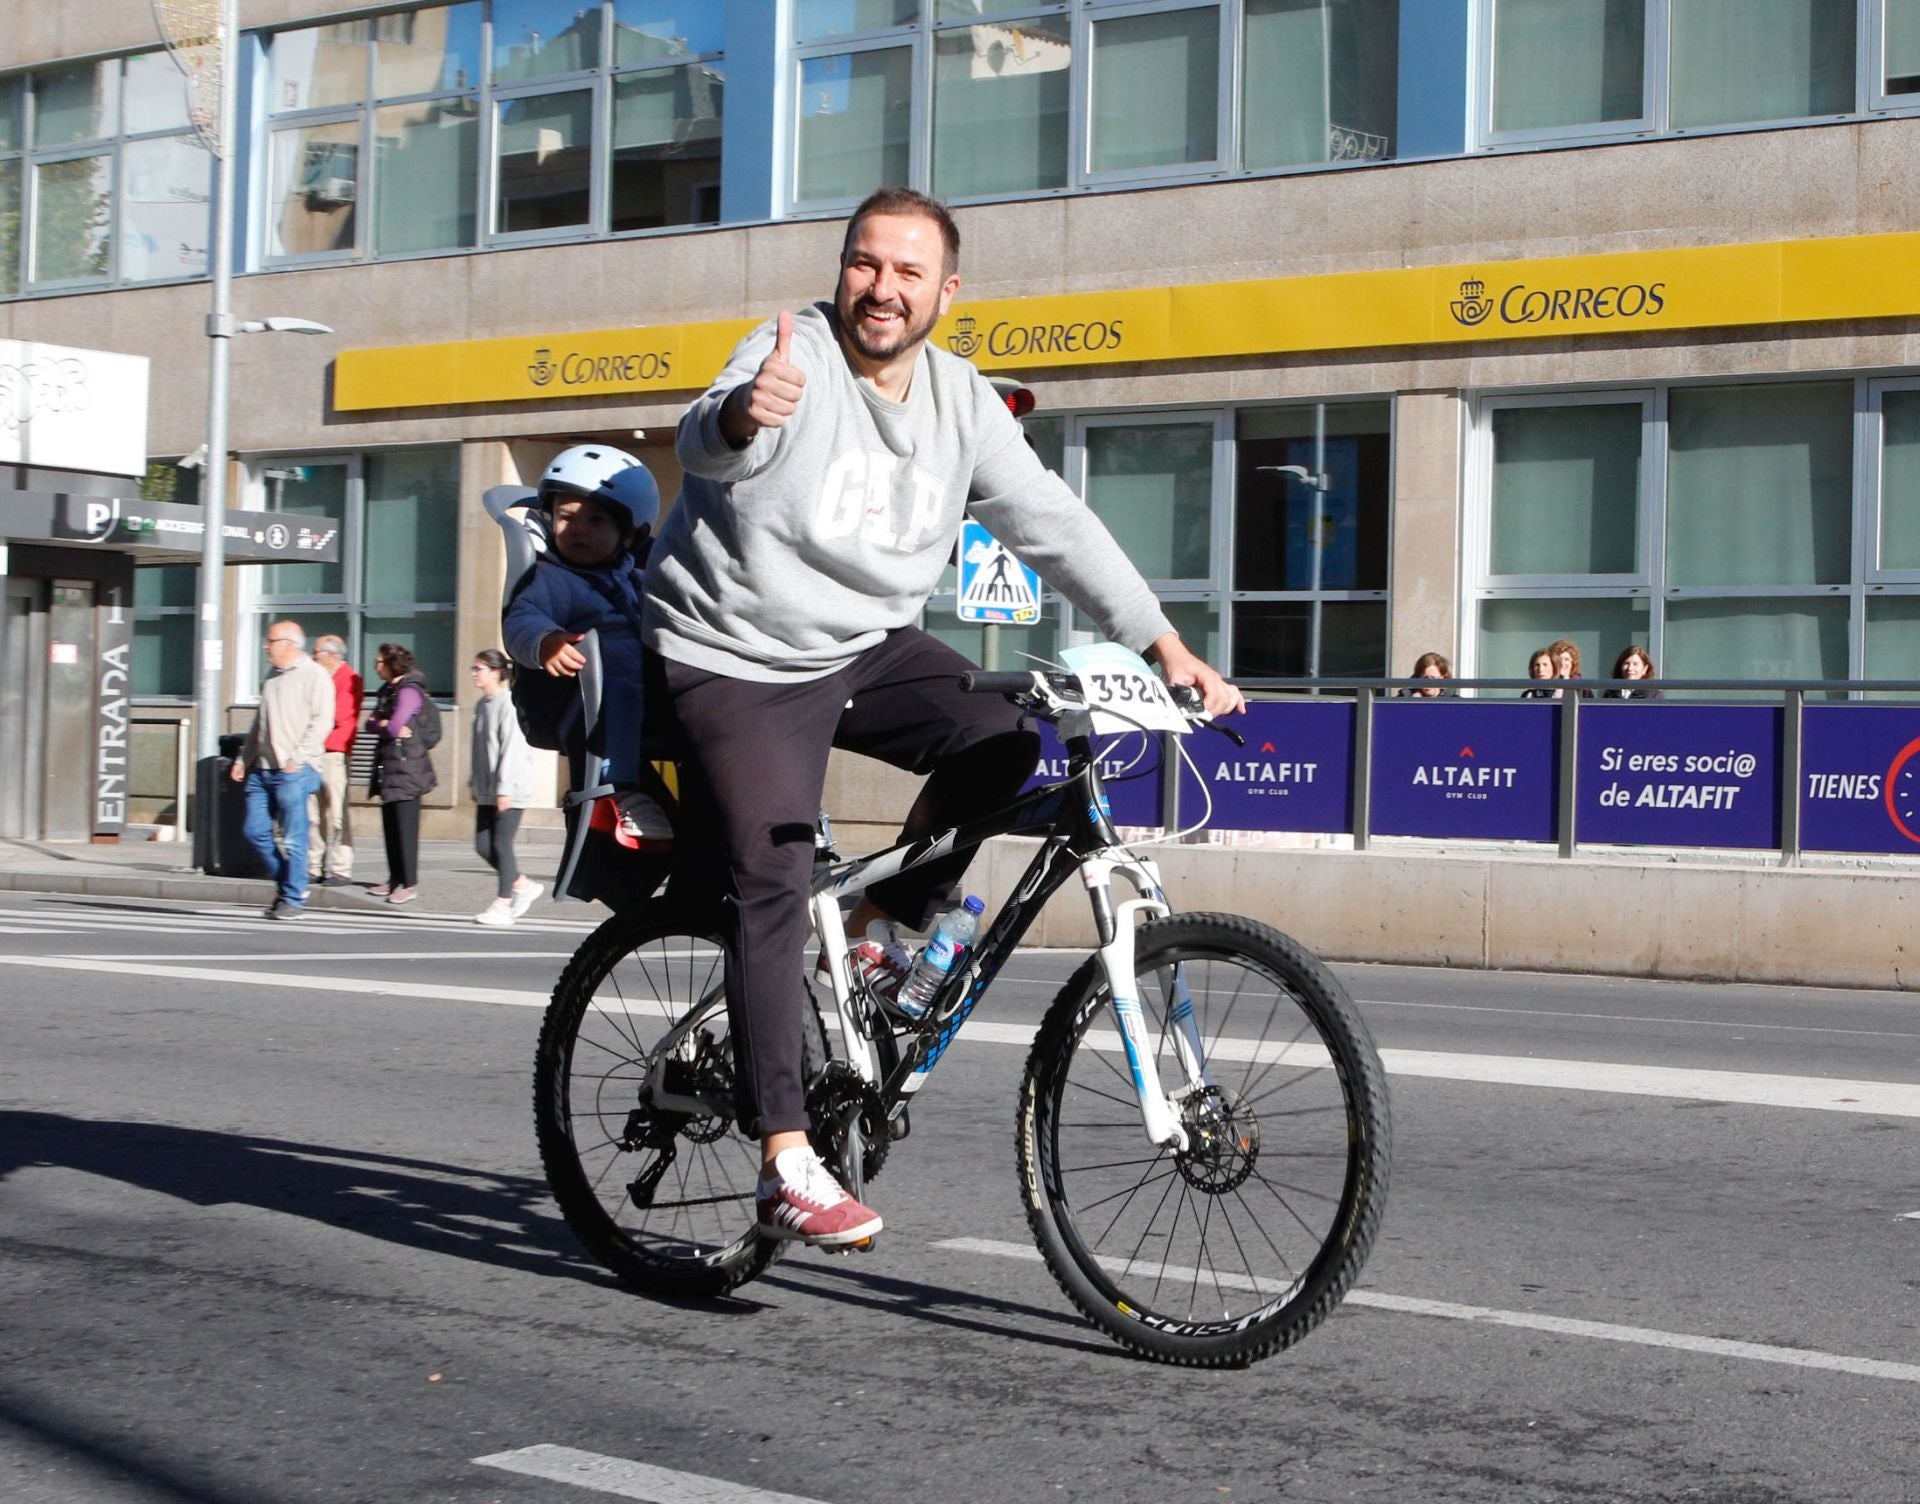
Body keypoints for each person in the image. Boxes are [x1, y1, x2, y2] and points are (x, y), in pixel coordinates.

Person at [644, 184, 1243, 1249]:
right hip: (734, 651)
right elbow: (709, 439)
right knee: (774, 876)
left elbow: (1054, 524)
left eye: (907, 272)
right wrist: (743, 412)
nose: (882, 288)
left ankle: (873, 929)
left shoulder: (962, 402)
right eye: (865, 264)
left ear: (946, 291)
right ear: (843, 269)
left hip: (862, 645)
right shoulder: (791, 353)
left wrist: (1165, 644)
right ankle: (786, 1158)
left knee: (1007, 741)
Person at [501, 443, 672, 848]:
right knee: (615, 674)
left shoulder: (641, 577)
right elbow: (522, 617)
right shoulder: (552, 578)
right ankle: (619, 790)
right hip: (574, 702)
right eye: (565, 516)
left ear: (630, 533)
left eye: (596, 520)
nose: (578, 528)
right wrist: (545, 644)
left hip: (641, 701)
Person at [231, 620, 334, 920]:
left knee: (293, 836)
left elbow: (322, 722)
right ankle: (288, 883)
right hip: (262, 770)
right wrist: (243, 758)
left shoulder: (314, 676)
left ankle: (293, 897)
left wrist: (298, 757)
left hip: (295, 770)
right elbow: (258, 724)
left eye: (270, 641)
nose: (266, 646)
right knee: (254, 831)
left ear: (290, 644)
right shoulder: (271, 676)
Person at [468, 648, 543, 924]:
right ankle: (523, 884)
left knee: (501, 843)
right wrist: (474, 783)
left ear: (497, 672)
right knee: (482, 845)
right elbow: (478, 749)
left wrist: (505, 788)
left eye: (479, 668)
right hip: (487, 787)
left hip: (510, 787)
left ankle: (503, 904)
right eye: (473, 669)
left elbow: (512, 749)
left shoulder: (509, 704)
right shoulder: (481, 705)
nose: (474, 674)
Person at [366, 643, 437, 905]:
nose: (376, 665)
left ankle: (409, 883)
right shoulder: (387, 690)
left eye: (379, 661)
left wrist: (385, 724)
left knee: (406, 831)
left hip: (408, 770)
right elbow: (371, 723)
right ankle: (394, 878)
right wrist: (384, 724)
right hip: (390, 768)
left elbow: (396, 725)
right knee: (391, 829)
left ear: (391, 663)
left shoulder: (409, 690)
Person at [307, 634, 363, 886]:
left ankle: (341, 867)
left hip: (334, 752)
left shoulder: (349, 678)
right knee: (313, 813)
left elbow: (338, 715)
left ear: (330, 655)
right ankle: (313, 866)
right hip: (312, 751)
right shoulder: (315, 677)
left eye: (316, 651)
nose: (312, 655)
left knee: (337, 814)